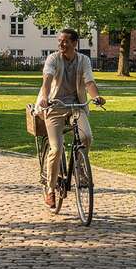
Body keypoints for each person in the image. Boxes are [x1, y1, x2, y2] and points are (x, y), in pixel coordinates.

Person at [36, 29, 105, 208]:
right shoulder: (53, 59)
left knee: (86, 137)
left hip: (76, 106)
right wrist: (44, 97)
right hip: (54, 106)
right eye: (60, 41)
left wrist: (96, 96)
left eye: (65, 41)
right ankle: (50, 189)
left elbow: (89, 82)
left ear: (75, 43)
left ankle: (80, 169)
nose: (61, 44)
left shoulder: (84, 60)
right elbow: (47, 80)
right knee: (57, 148)